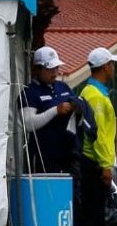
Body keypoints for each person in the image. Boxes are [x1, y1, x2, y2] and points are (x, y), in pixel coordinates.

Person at [73, 48, 117, 226]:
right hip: (93, 162)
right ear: (104, 67)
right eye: (112, 64)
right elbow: (99, 134)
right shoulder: (96, 96)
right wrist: (105, 165)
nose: (114, 68)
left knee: (93, 212)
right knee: (92, 214)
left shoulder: (93, 92)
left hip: (93, 161)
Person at [22, 46, 82, 176]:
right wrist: (55, 110)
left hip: (68, 154)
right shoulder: (30, 91)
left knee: (70, 194)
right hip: (44, 157)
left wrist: (77, 107)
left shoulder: (63, 86)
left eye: (56, 68)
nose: (54, 73)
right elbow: (28, 124)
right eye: (49, 69)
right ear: (38, 69)